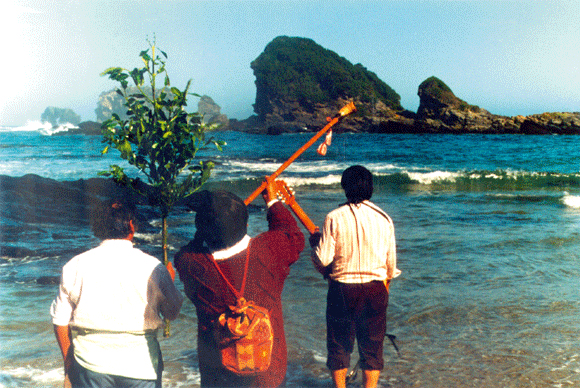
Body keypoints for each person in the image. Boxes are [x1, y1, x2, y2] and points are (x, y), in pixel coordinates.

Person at [174, 178, 305, 387]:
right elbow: (293, 235)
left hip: (218, 374)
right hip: (268, 371)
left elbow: (188, 251)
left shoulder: (190, 262)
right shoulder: (269, 249)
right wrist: (274, 203)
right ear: (246, 224)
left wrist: (207, 228)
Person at [50, 199, 183, 388]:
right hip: (141, 364)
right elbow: (172, 313)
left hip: (90, 362)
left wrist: (68, 362)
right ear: (131, 226)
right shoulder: (153, 267)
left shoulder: (75, 265)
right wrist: (168, 281)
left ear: (97, 227)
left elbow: (60, 321)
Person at [310, 165, 401, 388]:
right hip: (376, 289)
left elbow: (322, 260)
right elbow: (391, 267)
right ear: (370, 188)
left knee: (339, 344)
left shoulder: (334, 217)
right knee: (372, 345)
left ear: (345, 188)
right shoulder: (385, 218)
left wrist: (315, 246)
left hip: (342, 289)